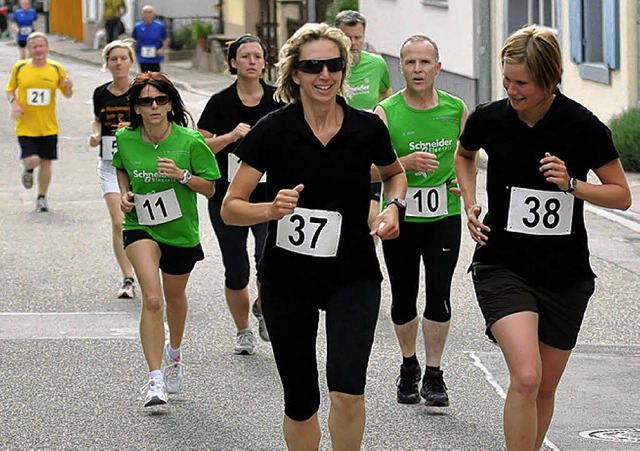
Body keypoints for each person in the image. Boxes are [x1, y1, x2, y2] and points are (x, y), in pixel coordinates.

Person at [221, 22, 407, 450]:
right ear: (295, 74)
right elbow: (232, 207)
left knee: (347, 389)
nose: (325, 75)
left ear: (344, 70)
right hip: (288, 279)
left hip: (353, 274)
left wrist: (395, 207)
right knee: (301, 400)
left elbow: (396, 177)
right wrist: (271, 209)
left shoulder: (367, 128)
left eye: (334, 65)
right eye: (313, 66)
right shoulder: (273, 129)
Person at [454, 25, 631, 450]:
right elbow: (464, 154)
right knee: (527, 376)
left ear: (549, 80)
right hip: (502, 263)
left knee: (544, 388)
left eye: (522, 83)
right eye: (507, 79)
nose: (511, 90)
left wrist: (572, 185)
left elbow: (622, 194)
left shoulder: (581, 126)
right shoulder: (489, 118)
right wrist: (469, 200)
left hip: (564, 274)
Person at [112, 72, 221, 407]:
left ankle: (174, 352)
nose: (154, 106)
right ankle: (155, 379)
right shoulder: (126, 138)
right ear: (137, 107)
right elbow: (120, 168)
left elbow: (211, 187)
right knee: (153, 298)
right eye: (146, 101)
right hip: (140, 226)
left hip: (179, 231)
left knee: (174, 298)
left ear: (171, 103)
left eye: (160, 99)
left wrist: (183, 175)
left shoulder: (190, 140)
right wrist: (125, 195)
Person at [375, 35, 468, 407]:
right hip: (400, 215)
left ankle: (434, 373)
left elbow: (468, 157)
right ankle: (408, 364)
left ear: (438, 67)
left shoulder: (455, 108)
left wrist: (463, 184)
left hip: (443, 214)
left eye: (425, 63)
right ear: (401, 67)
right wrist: (405, 165)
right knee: (402, 296)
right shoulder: (385, 112)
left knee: (439, 293)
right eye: (410, 63)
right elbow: (366, 169)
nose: (418, 70)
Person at [197, 35, 283, 354]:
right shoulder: (220, 103)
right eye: (244, 56)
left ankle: (262, 306)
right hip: (227, 197)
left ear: (264, 63)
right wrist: (230, 136)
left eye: (257, 56)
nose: (251, 61)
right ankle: (242, 330)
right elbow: (198, 146)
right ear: (233, 63)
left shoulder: (278, 100)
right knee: (236, 269)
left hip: (267, 197)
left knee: (269, 260)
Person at [334, 10, 392, 231]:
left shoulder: (377, 64)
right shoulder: (329, 68)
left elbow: (387, 95)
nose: (353, 43)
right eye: (347, 37)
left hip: (369, 150)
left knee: (372, 217)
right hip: (337, 150)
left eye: (358, 37)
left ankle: (366, 258)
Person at [6, 31, 73, 212]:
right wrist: (14, 103)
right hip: (26, 126)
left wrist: (69, 86)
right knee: (32, 160)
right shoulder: (20, 68)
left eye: (41, 46)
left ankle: (42, 197)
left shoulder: (56, 68)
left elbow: (67, 94)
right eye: (34, 47)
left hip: (49, 126)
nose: (38, 50)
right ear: (29, 49)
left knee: (46, 162)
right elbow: (10, 90)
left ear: (47, 48)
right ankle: (28, 171)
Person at [89, 40, 137, 298]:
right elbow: (98, 121)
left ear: (130, 61)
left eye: (122, 58)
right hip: (109, 164)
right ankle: (128, 277)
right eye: (113, 59)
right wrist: (95, 135)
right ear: (106, 63)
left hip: (139, 165)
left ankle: (150, 268)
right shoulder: (101, 93)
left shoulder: (141, 90)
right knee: (119, 222)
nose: (118, 63)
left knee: (145, 221)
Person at [132, 5, 169, 73]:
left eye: (150, 12)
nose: (148, 15)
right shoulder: (138, 26)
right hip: (142, 56)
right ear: (142, 14)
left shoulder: (159, 26)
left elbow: (166, 38)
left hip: (155, 56)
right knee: (144, 76)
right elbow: (134, 40)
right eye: (145, 12)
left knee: (155, 76)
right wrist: (133, 52)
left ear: (153, 14)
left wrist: (163, 49)